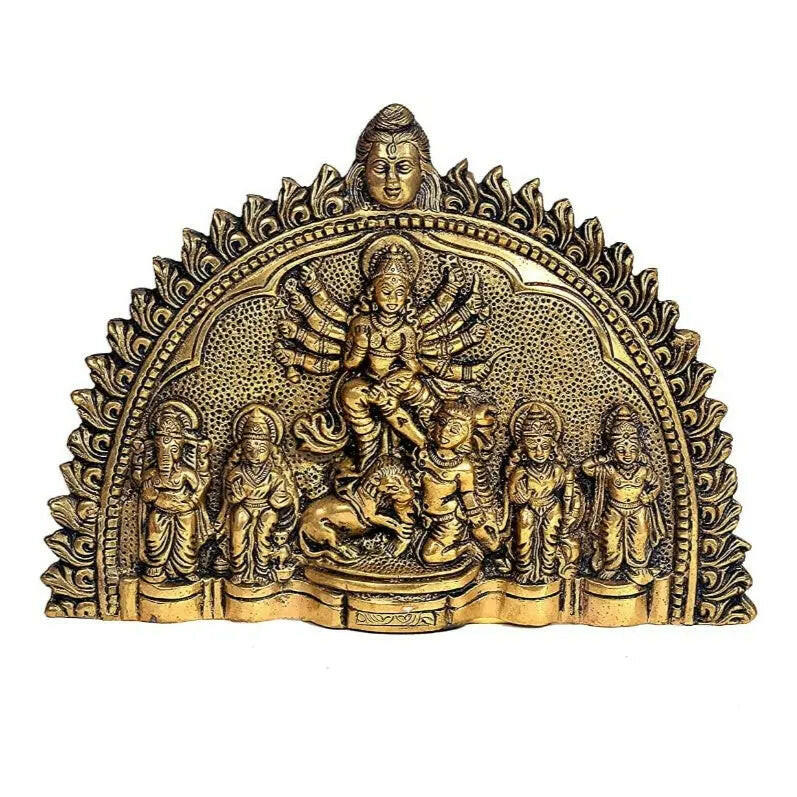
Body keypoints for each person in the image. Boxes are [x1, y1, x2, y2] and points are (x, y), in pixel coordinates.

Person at [582, 404, 665, 586]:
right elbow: (586, 468)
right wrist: (604, 458)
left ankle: (638, 566)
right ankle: (611, 565)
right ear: (613, 451)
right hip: (615, 510)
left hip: (638, 509)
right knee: (611, 538)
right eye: (621, 451)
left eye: (632, 450)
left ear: (639, 450)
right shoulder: (609, 470)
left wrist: (650, 497)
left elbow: (657, 484)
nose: (627, 455)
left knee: (639, 539)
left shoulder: (643, 471)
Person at [506, 401, 582, 584]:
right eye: (533, 447)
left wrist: (571, 508)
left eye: (544, 447)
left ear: (552, 447)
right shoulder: (520, 471)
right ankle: (524, 569)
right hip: (528, 508)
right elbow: (511, 495)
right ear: (523, 448)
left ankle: (547, 570)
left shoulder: (557, 470)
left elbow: (569, 493)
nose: (539, 452)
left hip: (551, 507)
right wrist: (519, 498)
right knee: (524, 539)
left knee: (550, 539)